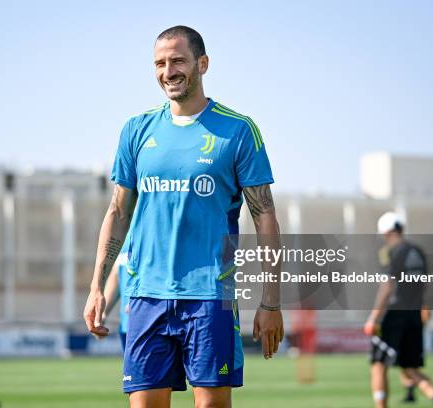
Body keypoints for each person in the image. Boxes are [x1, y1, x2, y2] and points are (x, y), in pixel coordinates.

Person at [83, 25, 284, 408]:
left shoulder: (238, 131)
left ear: (202, 64)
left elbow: (266, 218)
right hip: (146, 296)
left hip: (209, 296)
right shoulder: (136, 131)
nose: (168, 71)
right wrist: (96, 286)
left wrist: (271, 302)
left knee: (210, 405)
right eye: (159, 63)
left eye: (178, 60)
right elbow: (117, 211)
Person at [364, 212, 433, 408]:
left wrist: (373, 317)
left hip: (394, 314)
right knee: (409, 366)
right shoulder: (418, 251)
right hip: (414, 314)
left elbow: (387, 286)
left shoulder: (390, 251)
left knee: (378, 365)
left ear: (385, 233)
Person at [103, 241, 133, 350]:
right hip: (126, 326)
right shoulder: (125, 235)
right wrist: (103, 311)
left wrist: (140, 301)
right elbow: (117, 274)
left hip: (150, 325)